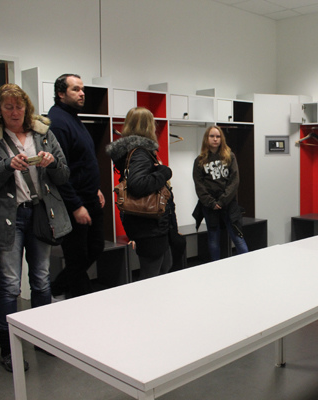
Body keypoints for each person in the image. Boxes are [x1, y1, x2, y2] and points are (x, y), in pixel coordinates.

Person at [0, 83, 71, 372]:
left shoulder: (43, 134)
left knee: (41, 279)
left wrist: (52, 163)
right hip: (8, 218)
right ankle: (9, 349)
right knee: (10, 285)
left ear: (26, 109)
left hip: (40, 213)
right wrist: (6, 166)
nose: (15, 111)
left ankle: (43, 339)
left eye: (19, 106)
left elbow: (64, 175)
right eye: (8, 106)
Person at [48, 74, 105, 299]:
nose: (82, 93)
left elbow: (84, 161)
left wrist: (96, 188)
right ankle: (69, 297)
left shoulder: (73, 118)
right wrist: (76, 206)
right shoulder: (58, 122)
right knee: (77, 257)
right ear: (61, 93)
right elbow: (58, 171)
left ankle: (59, 289)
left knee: (95, 248)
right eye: (75, 89)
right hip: (74, 202)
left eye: (82, 89)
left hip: (89, 196)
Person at [106, 107, 178, 279]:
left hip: (151, 226)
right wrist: (164, 172)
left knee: (163, 267)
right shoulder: (140, 153)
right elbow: (137, 184)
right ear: (146, 126)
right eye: (152, 123)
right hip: (149, 226)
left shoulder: (135, 152)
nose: (155, 127)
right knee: (152, 274)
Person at [192, 125, 248, 261]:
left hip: (229, 204)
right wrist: (211, 203)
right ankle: (216, 268)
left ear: (221, 139)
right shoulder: (199, 161)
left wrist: (223, 200)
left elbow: (235, 180)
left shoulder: (230, 156)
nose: (215, 139)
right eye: (212, 136)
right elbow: (199, 185)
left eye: (218, 136)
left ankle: (248, 264)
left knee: (237, 236)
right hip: (209, 206)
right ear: (207, 139)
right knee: (213, 238)